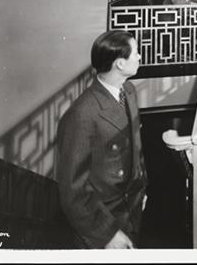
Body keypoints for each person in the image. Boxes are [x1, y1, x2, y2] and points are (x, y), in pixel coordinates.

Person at [56, 30, 147, 248]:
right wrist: (107, 234)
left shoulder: (128, 90)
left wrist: (141, 190)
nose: (139, 56)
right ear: (120, 64)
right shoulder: (81, 114)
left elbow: (136, 147)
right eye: (136, 52)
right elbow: (73, 191)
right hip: (104, 222)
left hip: (132, 210)